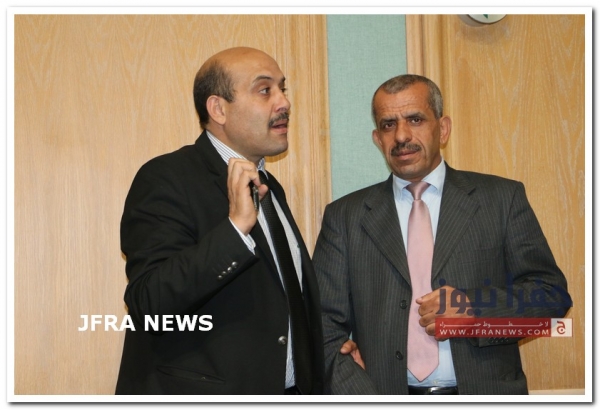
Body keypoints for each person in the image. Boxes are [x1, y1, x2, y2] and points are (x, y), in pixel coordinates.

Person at [312, 74, 572, 395]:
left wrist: (474, 310)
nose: (401, 135)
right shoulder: (345, 216)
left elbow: (551, 297)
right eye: (389, 124)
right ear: (378, 139)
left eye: (415, 119)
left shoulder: (501, 199)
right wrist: (359, 392)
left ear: (443, 129)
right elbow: (320, 323)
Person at [116, 47, 339, 394]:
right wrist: (235, 229)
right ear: (218, 109)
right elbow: (150, 303)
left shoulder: (269, 187)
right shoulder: (166, 177)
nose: (284, 103)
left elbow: (281, 305)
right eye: (264, 90)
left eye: (282, 89)